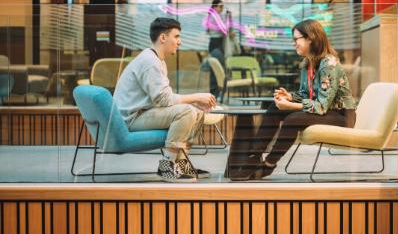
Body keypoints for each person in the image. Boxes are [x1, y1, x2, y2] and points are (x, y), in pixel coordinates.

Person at [232, 19, 357, 180]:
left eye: (296, 39)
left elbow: (322, 106)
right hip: (326, 111)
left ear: (310, 38)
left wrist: (290, 105)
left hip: (341, 116)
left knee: (292, 119)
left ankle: (269, 164)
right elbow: (307, 94)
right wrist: (290, 96)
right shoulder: (307, 63)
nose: (294, 44)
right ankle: (254, 157)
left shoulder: (328, 64)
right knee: (275, 107)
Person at [113, 17, 217, 182]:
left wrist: (194, 102)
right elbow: (164, 99)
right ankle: (167, 167)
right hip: (132, 119)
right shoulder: (150, 62)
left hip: (142, 113)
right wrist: (196, 97)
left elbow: (162, 98)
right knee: (186, 112)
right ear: (163, 37)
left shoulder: (155, 59)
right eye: (176, 37)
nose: (179, 42)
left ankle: (182, 164)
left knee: (196, 111)